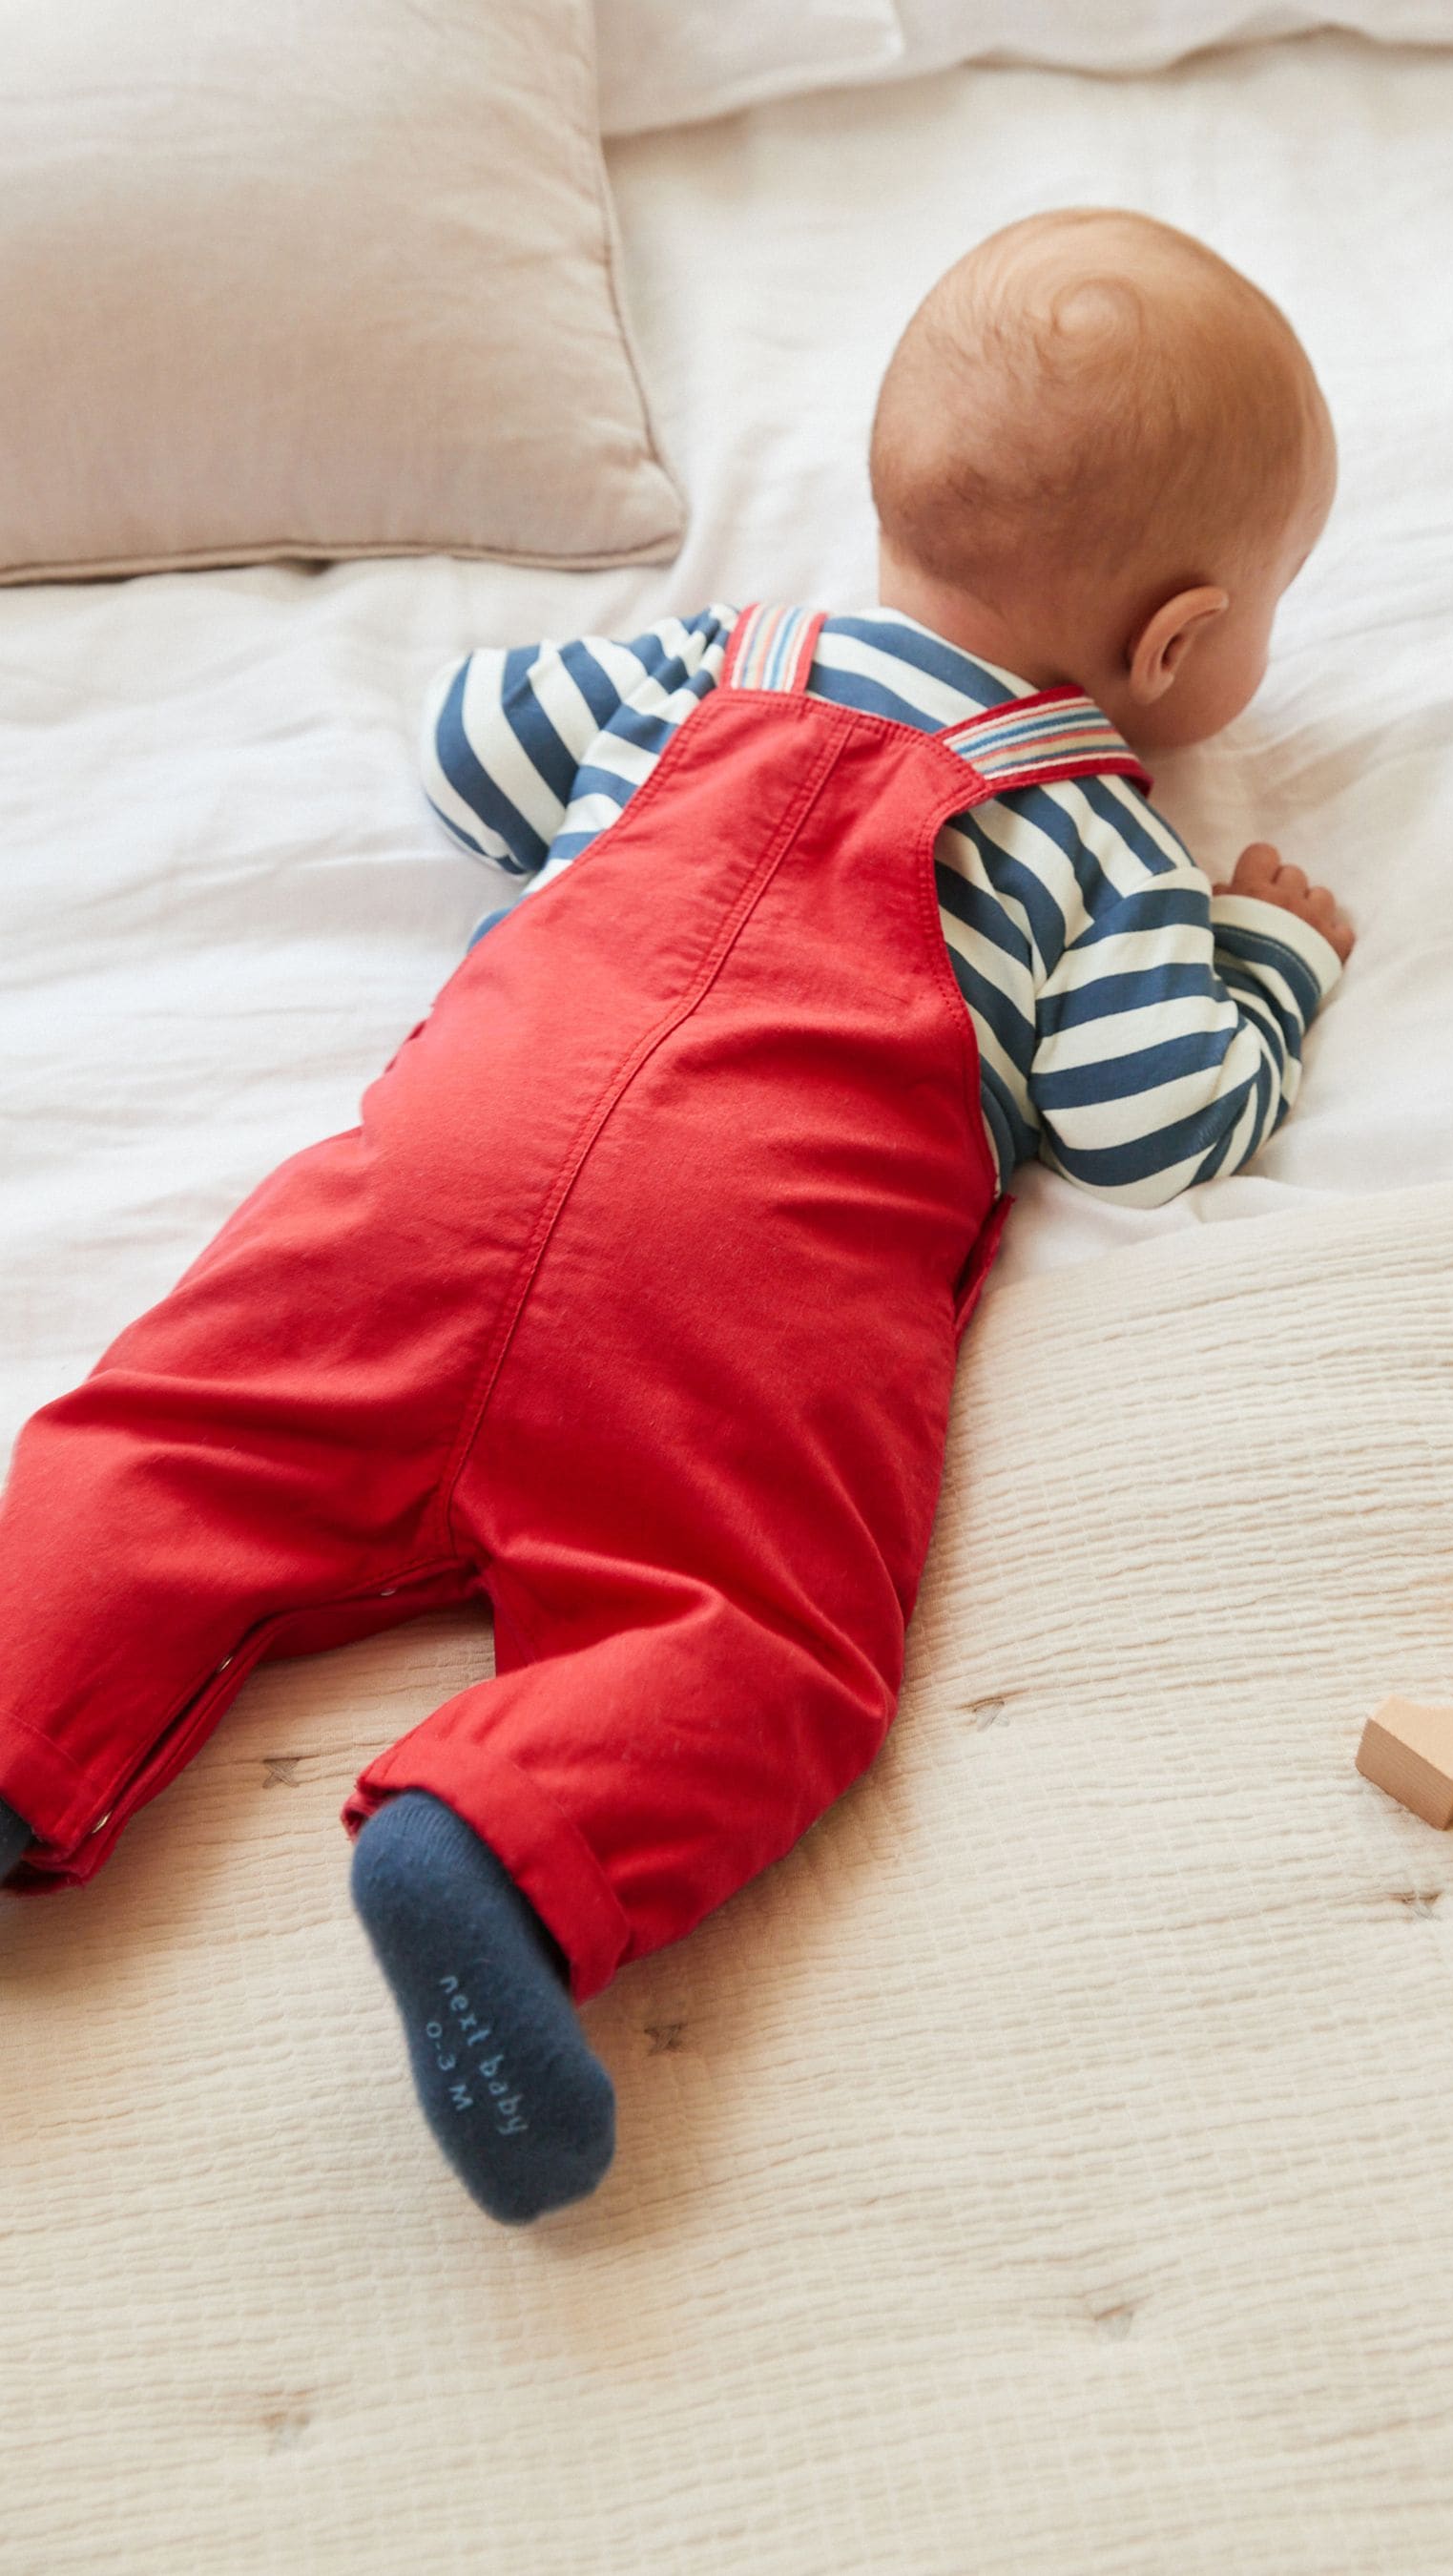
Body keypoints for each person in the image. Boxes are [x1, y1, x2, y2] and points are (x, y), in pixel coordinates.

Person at [0, 209, 1353, 2226]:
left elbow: (465, 745)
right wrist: (1270, 958)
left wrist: (582, 742)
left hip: (429, 1191)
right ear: (1171, 648)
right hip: (735, 1303)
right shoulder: (1096, 831)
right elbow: (1158, 1128)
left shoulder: (709, 660)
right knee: (755, 1635)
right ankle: (503, 1835)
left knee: (173, 1444)